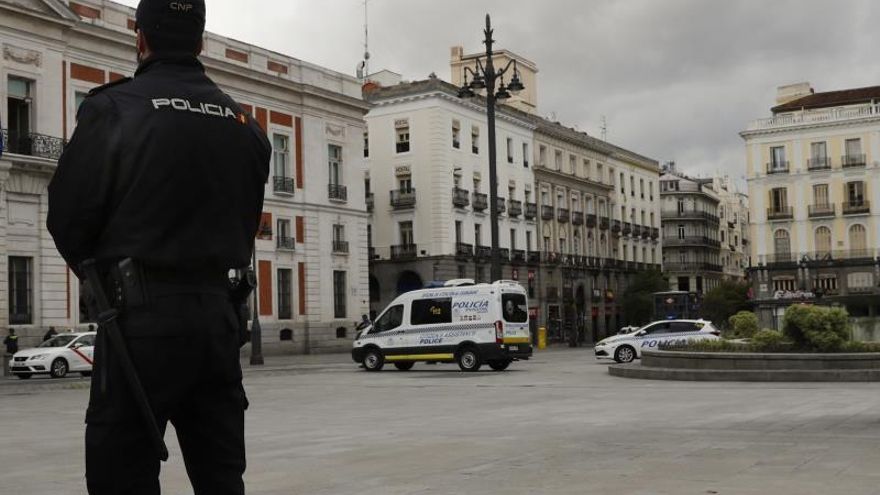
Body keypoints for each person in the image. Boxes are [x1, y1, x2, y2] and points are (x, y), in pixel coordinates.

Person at [46, 1, 270, 494]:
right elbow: (246, 221)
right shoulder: (247, 128)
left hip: (138, 326)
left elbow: (66, 219)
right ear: (200, 41)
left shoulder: (114, 108)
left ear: (140, 38)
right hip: (217, 322)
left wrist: (105, 272)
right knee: (221, 479)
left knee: (121, 477)